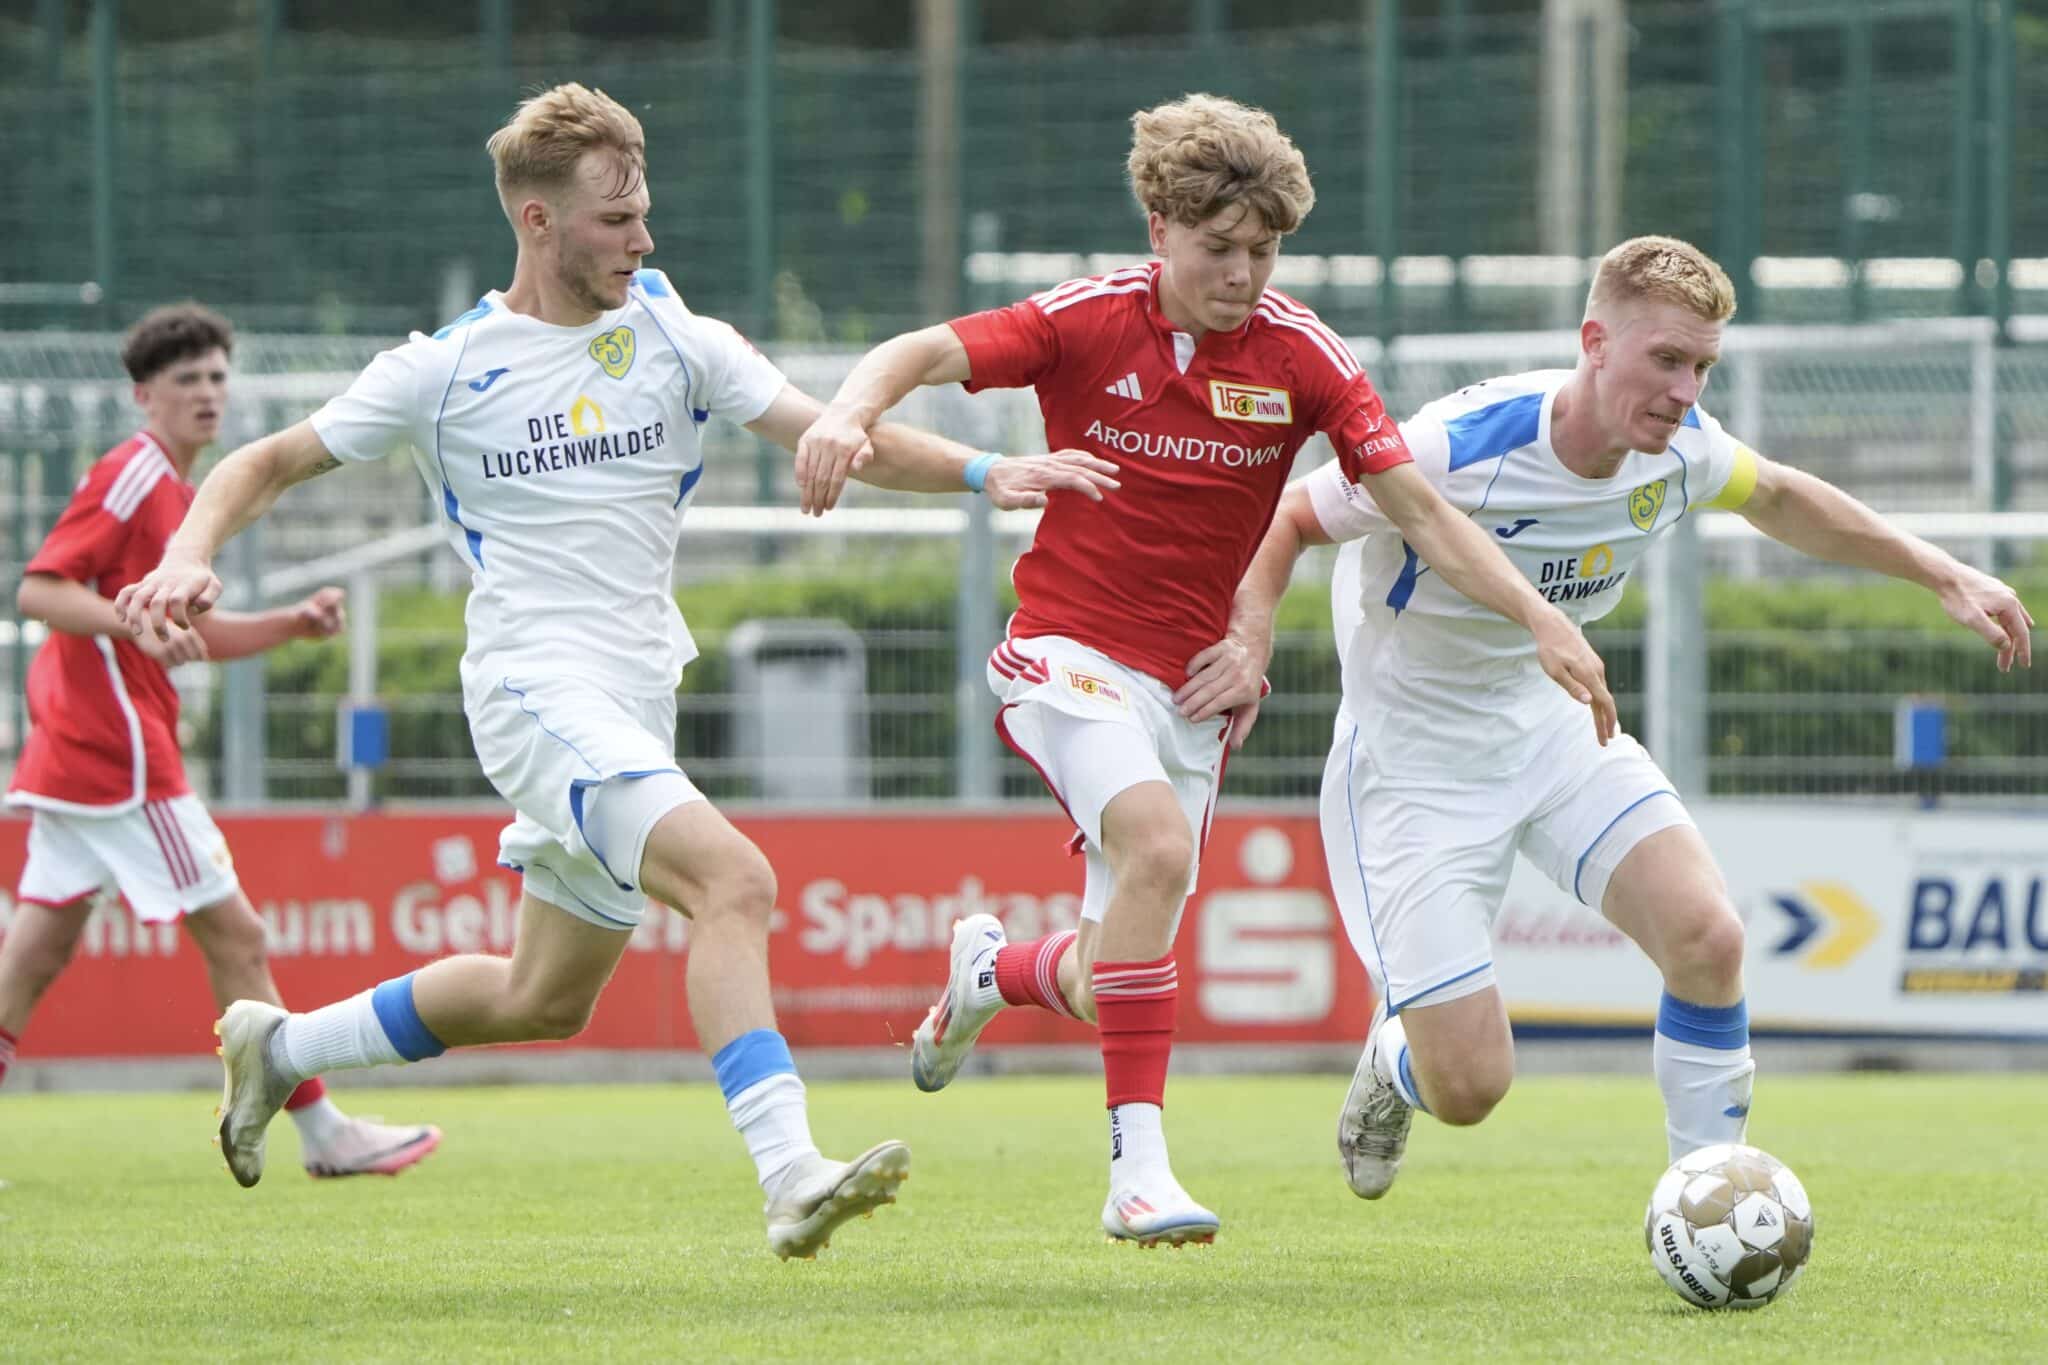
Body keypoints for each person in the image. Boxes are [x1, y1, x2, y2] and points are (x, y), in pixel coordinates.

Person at [114, 84, 1109, 1259]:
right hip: (536, 689)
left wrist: (984, 475)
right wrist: (186, 553)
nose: (642, 239)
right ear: (535, 221)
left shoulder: (677, 336)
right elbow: (262, 466)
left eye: (644, 212)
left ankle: (278, 1049)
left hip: (634, 696)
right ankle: (790, 1173)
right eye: (613, 220)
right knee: (733, 882)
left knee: (543, 995)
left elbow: (831, 433)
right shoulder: (444, 369)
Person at [795, 93, 1614, 1247]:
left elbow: (1416, 511)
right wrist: (844, 411)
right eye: (1217, 248)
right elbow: (921, 350)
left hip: (1189, 694)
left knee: (1110, 963)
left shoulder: (1301, 355)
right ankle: (1138, 1176)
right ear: (1157, 227)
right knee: (1162, 852)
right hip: (1065, 653)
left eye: (1263, 251)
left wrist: (1535, 615)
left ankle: (993, 971)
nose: (1241, 272)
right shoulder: (1084, 318)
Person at [1222, 234, 2036, 1199]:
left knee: (1710, 936)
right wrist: (1251, 640)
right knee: (1473, 1086)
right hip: (1411, 767)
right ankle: (1396, 1061)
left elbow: (1777, 494)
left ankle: (1707, 1196)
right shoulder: (1458, 444)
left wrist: (1940, 569)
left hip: (1555, 727)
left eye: (1702, 366)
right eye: (1666, 360)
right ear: (1594, 341)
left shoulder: (1683, 448)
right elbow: (1290, 518)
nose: (1686, 389)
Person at [1, 303, 441, 1179]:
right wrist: (133, 629)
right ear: (143, 396)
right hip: (119, 762)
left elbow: (181, 634)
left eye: (215, 378)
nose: (206, 395)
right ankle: (325, 1134)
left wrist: (289, 623)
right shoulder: (135, 473)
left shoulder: (180, 493)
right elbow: (40, 591)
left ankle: (320, 1129)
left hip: (78, 762)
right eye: (185, 382)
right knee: (236, 935)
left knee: (34, 956)